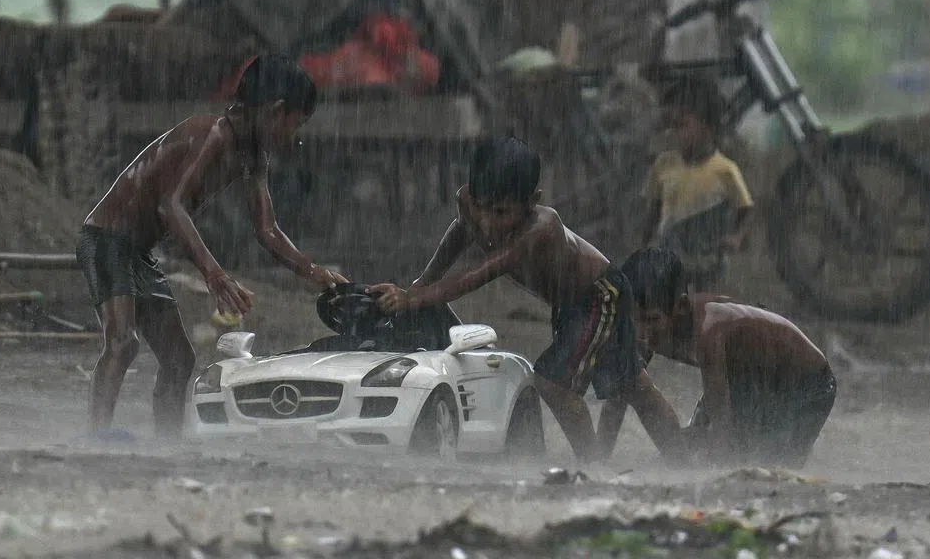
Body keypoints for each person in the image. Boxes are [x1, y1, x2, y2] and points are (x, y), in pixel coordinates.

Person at [75, 54, 347, 437]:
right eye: (296, 124)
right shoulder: (212, 133)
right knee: (122, 342)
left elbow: (267, 229)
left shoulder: (254, 155)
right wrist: (214, 275)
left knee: (179, 359)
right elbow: (170, 204)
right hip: (105, 239)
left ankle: (167, 443)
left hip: (137, 252)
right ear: (275, 111)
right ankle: (97, 438)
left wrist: (312, 271)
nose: (296, 136)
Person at [367, 136, 680, 461]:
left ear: (532, 202)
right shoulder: (467, 201)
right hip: (569, 305)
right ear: (469, 192)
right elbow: (460, 233)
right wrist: (421, 283)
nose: (487, 222)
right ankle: (682, 457)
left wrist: (412, 298)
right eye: (480, 207)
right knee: (633, 385)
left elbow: (477, 274)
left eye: (501, 212)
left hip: (601, 295)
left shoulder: (540, 229)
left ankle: (594, 465)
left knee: (554, 381)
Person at [604, 247, 837, 467]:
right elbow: (622, 390)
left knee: (772, 463)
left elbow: (722, 428)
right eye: (636, 319)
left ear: (682, 306)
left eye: (653, 320)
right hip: (748, 377)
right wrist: (599, 458)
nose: (643, 332)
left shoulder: (708, 332)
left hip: (810, 385)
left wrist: (712, 477)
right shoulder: (643, 329)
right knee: (689, 444)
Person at [641, 75, 753, 290]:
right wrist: (643, 248)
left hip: (708, 260)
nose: (673, 133)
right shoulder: (663, 165)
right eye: (670, 126)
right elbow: (653, 210)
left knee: (705, 305)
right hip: (670, 257)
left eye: (681, 125)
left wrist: (736, 237)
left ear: (709, 128)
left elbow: (746, 209)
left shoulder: (725, 170)